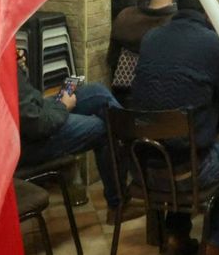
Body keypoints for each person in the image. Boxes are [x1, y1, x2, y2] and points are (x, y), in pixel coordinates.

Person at [131, 0, 219, 255]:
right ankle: (218, 242)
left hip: (142, 168)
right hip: (187, 173)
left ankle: (176, 235)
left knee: (182, 142)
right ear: (210, 12)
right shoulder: (214, 44)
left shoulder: (151, 38)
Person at [16, 52, 141, 224]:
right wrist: (62, 106)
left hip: (39, 112)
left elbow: (28, 104)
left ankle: (138, 153)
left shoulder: (4, 56)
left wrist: (20, 69)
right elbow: (37, 125)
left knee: (98, 94)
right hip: (25, 143)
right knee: (104, 128)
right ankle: (118, 204)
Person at [108, 0, 178, 95]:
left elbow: (111, 60)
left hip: (123, 100)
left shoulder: (124, 16)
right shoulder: (178, 23)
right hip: (162, 99)